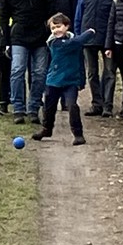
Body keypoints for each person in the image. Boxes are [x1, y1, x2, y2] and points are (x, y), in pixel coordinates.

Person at [0, 0, 56, 125]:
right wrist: (5, 40)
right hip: (19, 35)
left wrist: (50, 27)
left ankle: (33, 108)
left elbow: (51, 5)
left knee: (39, 73)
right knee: (17, 70)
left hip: (40, 34)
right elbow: (3, 15)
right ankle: (18, 109)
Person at [32, 13, 96, 146]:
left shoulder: (74, 42)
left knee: (72, 106)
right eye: (53, 28)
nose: (56, 30)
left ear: (67, 26)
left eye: (59, 27)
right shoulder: (54, 42)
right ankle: (46, 129)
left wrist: (81, 81)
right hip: (53, 81)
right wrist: (90, 32)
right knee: (49, 108)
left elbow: (80, 62)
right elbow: (74, 43)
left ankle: (78, 134)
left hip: (71, 82)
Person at [74, 0, 116, 116]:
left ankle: (107, 105)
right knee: (92, 73)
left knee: (109, 72)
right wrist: (78, 37)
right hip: (88, 40)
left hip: (107, 40)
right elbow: (78, 18)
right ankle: (96, 103)